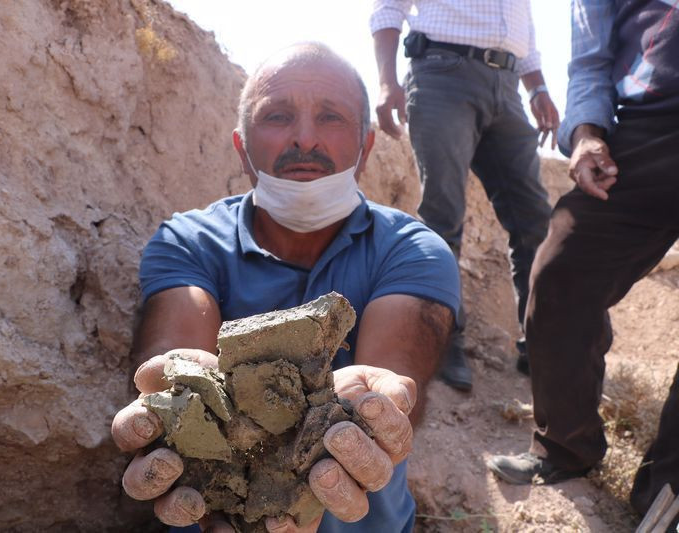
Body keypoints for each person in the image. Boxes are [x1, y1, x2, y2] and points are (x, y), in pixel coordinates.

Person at [110, 42, 461, 532]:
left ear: (366, 147)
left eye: (331, 117)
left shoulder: (413, 250)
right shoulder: (188, 240)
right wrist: (174, 397)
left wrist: (374, 407)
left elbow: (393, 384)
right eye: (276, 116)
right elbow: (173, 363)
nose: (305, 139)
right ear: (242, 147)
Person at [487, 0, 678, 525]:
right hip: (648, 125)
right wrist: (587, 131)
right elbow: (591, 59)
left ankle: (667, 493)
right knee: (560, 270)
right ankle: (566, 447)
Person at [370, 0, 560, 391]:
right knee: (443, 218)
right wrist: (387, 81)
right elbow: (389, 7)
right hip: (443, 73)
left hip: (507, 89)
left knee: (534, 221)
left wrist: (537, 86)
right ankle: (442, 339)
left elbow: (521, 26)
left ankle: (540, 344)